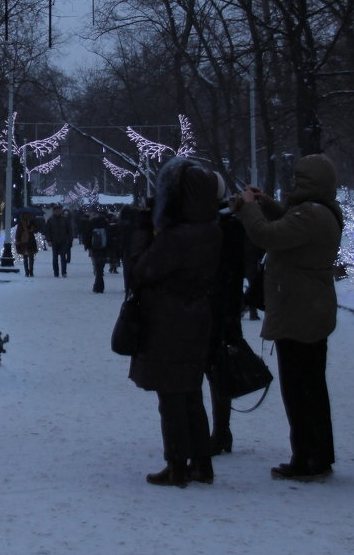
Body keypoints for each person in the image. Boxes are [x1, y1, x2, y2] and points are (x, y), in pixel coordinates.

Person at [232, 153, 342, 482]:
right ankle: (317, 454)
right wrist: (265, 203)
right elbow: (287, 227)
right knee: (311, 387)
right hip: (309, 308)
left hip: (299, 311)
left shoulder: (310, 214)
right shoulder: (319, 212)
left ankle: (307, 457)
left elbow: (269, 236)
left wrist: (250, 208)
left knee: (299, 389)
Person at [128, 158, 223, 487]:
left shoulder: (177, 237)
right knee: (191, 393)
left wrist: (144, 226)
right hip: (197, 317)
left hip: (168, 319)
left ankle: (177, 465)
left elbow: (140, 270)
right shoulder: (210, 229)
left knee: (170, 395)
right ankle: (201, 463)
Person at [208, 185, 247, 456]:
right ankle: (220, 430)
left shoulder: (224, 225)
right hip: (221, 307)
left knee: (215, 370)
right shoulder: (229, 224)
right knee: (215, 371)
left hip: (216, 308)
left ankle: (220, 431)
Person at [43, 205, 73, 277]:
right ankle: (56, 272)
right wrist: (49, 240)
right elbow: (47, 231)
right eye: (56, 211)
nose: (57, 212)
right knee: (55, 258)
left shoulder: (65, 219)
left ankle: (64, 272)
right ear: (54, 211)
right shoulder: (50, 220)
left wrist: (69, 239)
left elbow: (69, 230)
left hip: (63, 241)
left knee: (63, 257)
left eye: (59, 210)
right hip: (54, 241)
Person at [87, 210, 110, 293]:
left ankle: (97, 286)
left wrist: (88, 246)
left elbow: (88, 235)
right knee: (101, 268)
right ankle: (99, 286)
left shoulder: (92, 223)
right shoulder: (106, 224)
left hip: (95, 248)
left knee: (97, 268)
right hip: (104, 249)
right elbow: (109, 236)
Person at [14, 211, 39, 277]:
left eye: (27, 215)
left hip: (31, 241)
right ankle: (27, 272)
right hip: (24, 242)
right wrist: (18, 240)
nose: (26, 216)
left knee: (31, 257)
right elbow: (18, 233)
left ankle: (31, 271)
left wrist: (32, 229)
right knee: (25, 258)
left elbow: (36, 230)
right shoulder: (21, 224)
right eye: (25, 215)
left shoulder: (32, 222)